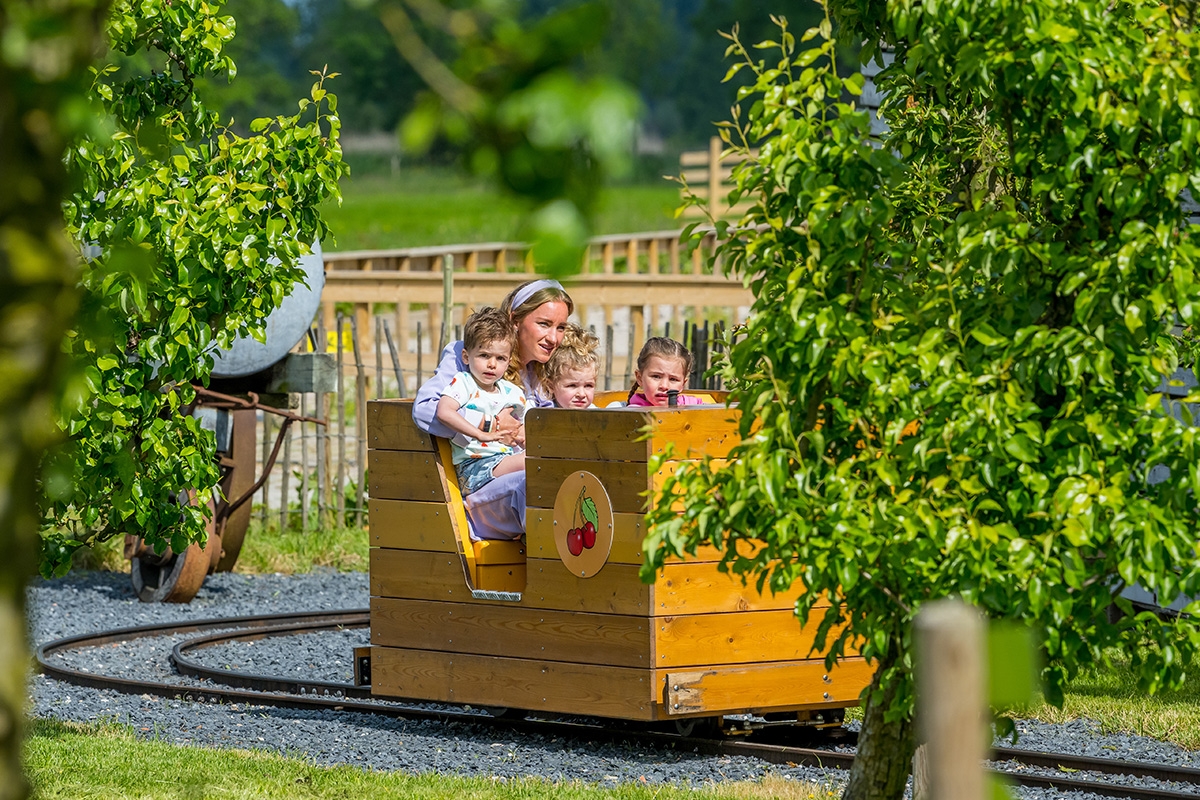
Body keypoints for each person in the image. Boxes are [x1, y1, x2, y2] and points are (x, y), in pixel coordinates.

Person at [412, 279, 573, 539]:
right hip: (482, 476)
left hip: (517, 469)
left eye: (561, 327)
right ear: (515, 321)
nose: (553, 338)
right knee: (537, 482)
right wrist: (490, 425)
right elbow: (425, 410)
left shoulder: (546, 372)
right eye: (544, 324)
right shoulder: (472, 355)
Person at [436, 308, 528, 495]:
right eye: (484, 355)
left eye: (500, 358)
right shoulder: (464, 383)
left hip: (503, 460)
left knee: (538, 460)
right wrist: (480, 434)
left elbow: (521, 428)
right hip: (473, 467)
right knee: (529, 462)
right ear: (466, 357)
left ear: (509, 361)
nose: (492, 364)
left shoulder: (512, 392)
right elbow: (444, 411)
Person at [627, 336, 704, 407]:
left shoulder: (692, 405)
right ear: (640, 378)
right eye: (656, 376)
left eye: (673, 379)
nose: (664, 386)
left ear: (683, 384)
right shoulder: (631, 414)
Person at [542, 323, 599, 409]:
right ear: (550, 386)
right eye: (572, 385)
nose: (582, 394)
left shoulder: (595, 415)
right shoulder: (544, 414)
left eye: (588, 385)